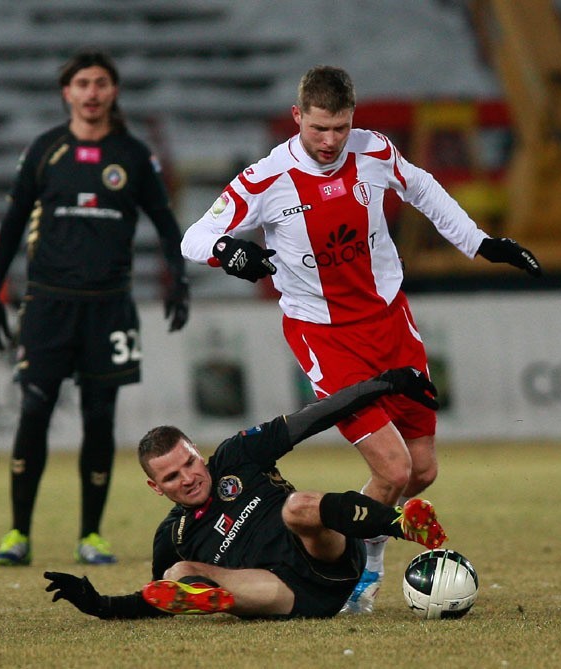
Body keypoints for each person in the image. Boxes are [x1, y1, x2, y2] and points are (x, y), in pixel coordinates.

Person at [180, 65, 542, 613]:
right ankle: (360, 579)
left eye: (340, 129)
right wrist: (229, 252)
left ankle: (338, 545)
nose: (329, 142)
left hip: (392, 323)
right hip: (324, 336)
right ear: (298, 116)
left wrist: (482, 243)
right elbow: (194, 237)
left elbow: (420, 186)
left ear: (354, 120)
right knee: (392, 470)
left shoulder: (373, 151)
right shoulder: (267, 177)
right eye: (318, 129)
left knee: (422, 470)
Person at [0, 48, 190, 567]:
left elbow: (166, 223)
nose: (92, 92)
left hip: (110, 307)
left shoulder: (134, 155)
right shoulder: (45, 150)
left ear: (113, 91)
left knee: (100, 421)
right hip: (47, 305)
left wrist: (179, 279)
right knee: (34, 413)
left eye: (101, 83)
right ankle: (17, 534)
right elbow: (10, 226)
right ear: (67, 93)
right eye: (82, 84)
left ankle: (91, 536)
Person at [44, 366, 446, 620]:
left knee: (297, 507)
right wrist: (100, 604)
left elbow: (312, 418)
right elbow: (157, 599)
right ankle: (215, 596)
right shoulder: (174, 536)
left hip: (329, 560)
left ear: (197, 453)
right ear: (156, 488)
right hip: (285, 597)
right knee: (178, 574)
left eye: (189, 463)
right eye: (171, 478)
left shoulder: (237, 455)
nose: (187, 478)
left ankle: (399, 523)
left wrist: (383, 384)